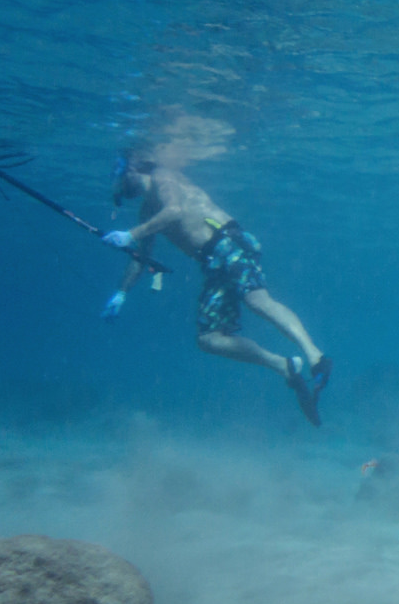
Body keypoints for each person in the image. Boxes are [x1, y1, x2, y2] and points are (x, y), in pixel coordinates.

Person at [101, 152, 332, 425]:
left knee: (257, 300)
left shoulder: (163, 176)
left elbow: (174, 211)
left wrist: (130, 234)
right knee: (208, 338)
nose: (116, 181)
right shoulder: (146, 211)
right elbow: (141, 258)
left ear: (131, 168)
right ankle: (284, 366)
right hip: (211, 263)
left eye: (118, 173)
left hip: (228, 242)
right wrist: (121, 293)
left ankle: (315, 357)